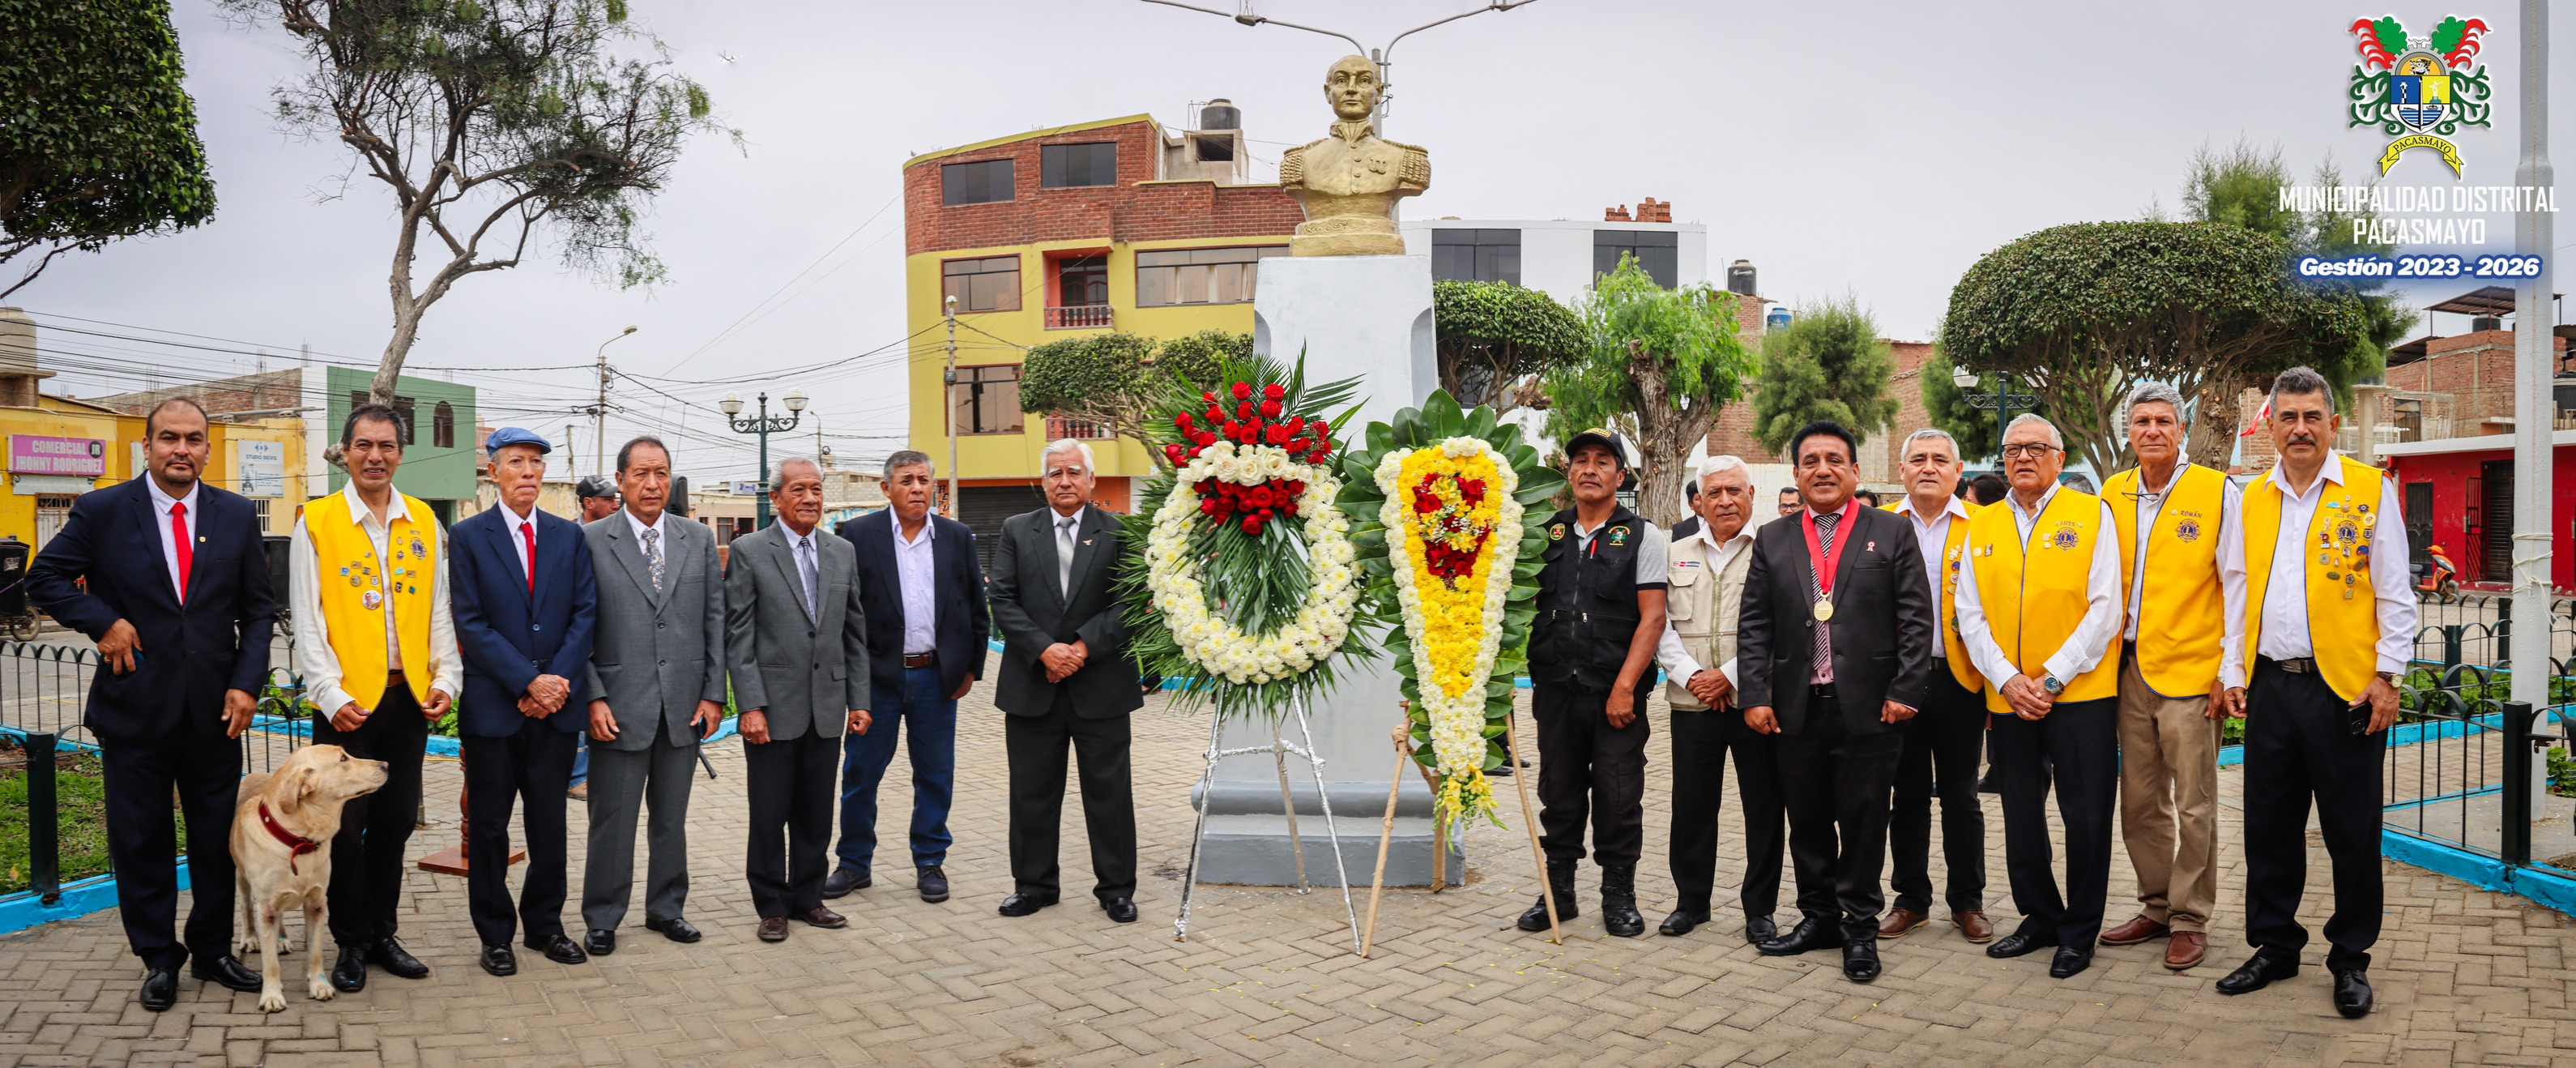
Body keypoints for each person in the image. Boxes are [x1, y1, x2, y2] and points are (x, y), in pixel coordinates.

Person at [25, 399, 271, 1009]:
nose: (180, 449)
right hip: (134, 711)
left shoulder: (237, 515)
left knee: (215, 840)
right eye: (168, 438)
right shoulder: (103, 510)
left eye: (193, 439)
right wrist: (102, 620)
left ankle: (212, 952)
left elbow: (259, 610)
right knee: (142, 841)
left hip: (217, 713)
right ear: (147, 446)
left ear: (208, 449)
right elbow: (44, 578)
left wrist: (246, 683)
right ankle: (159, 958)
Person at [2211, 366, 2414, 1019]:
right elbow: (2238, 589)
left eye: (2312, 417)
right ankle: (2274, 946)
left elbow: (2395, 592)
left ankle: (2350, 958)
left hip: (2345, 691)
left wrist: (2388, 677)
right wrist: (2233, 673)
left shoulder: (2368, 489)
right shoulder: (2251, 498)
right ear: (2269, 425)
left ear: (2332, 423)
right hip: (2272, 685)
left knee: (2352, 833)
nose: (2300, 428)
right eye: (2288, 417)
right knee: (2269, 828)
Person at [1736, 421, 1932, 984]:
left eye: (1834, 460)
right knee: (1809, 821)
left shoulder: (1889, 533)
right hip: (1797, 708)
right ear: (1797, 473)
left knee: (1866, 823)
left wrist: (1904, 691)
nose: (1822, 469)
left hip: (1870, 710)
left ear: (1853, 471)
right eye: (1811, 461)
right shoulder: (1774, 538)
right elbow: (1755, 625)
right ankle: (1818, 918)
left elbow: (1918, 621)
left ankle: (1859, 928)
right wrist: (1755, 694)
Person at [291, 402, 459, 993]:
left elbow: (439, 613)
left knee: (394, 824)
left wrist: (446, 681)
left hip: (407, 702)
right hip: (346, 708)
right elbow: (308, 623)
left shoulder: (425, 524)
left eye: (387, 446)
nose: (375, 457)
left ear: (400, 454)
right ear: (344, 451)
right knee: (345, 828)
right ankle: (351, 941)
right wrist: (329, 694)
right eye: (364, 445)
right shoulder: (317, 523)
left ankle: (384, 932)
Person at [1956, 413, 2123, 980]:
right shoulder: (1982, 525)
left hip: (2080, 697)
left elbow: (2105, 610)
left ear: (2059, 456)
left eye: (2035, 449)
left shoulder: (2091, 513)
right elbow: (1969, 613)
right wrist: (2007, 680)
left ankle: (2079, 931)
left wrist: (2051, 679)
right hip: (2009, 698)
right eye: (2011, 450)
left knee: (2086, 816)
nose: (2022, 458)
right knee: (2022, 813)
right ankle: (2040, 918)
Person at [2097, 383, 2243, 972]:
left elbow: (2236, 583)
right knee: (2139, 803)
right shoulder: (2113, 492)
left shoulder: (2215, 492)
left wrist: (2228, 670)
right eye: (2141, 422)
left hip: (2191, 674)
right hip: (2125, 670)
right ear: (2128, 433)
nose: (2152, 430)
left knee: (2195, 805)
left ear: (2181, 430)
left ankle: (2190, 917)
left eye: (2163, 421)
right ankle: (2156, 906)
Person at [448, 428, 598, 976]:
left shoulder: (568, 536)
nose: (529, 472)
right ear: (494, 472)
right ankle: (495, 935)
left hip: (555, 710)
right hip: (495, 710)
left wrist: (554, 682)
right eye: (517, 462)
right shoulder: (467, 537)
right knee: (489, 827)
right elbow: (471, 623)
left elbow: (585, 614)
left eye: (536, 463)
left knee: (549, 824)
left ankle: (545, 927)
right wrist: (526, 683)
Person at [578, 435, 727, 955]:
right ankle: (602, 916)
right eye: (640, 474)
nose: (652, 483)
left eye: (661, 473)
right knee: (612, 820)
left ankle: (667, 909)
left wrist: (714, 693)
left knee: (671, 818)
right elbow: (579, 629)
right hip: (618, 705)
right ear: (620, 482)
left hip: (684, 704)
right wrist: (592, 697)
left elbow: (714, 618)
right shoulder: (593, 540)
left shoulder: (697, 539)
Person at [988, 440, 1144, 923]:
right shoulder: (1017, 530)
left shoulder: (1120, 531)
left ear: (1091, 480)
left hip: (1101, 685)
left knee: (1110, 794)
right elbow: (1004, 600)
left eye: (1074, 472)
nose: (1064, 481)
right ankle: (1034, 886)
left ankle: (1116, 889)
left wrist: (1079, 648)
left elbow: (1130, 602)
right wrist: (1044, 650)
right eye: (1055, 473)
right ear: (1043, 482)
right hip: (1034, 686)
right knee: (1032, 793)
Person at [1521, 428, 1667, 938]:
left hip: (1615, 697)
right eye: (1580, 460)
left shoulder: (1643, 536)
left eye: (1603, 461)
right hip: (1557, 691)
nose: (1590, 469)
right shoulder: (1546, 533)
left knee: (1618, 795)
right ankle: (1558, 893)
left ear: (1620, 476)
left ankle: (1618, 896)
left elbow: (1651, 619)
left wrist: (1625, 687)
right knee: (1558, 795)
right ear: (1568, 472)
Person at [827, 451, 988, 904]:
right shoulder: (858, 534)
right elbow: (846, 614)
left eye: (924, 480)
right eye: (907, 480)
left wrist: (971, 668)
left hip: (937, 679)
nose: (917, 488)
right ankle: (854, 864)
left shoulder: (956, 537)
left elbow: (976, 608)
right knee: (861, 773)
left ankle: (930, 862)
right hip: (877, 680)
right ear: (886, 489)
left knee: (935, 774)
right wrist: (852, 682)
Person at [724, 457, 872, 942]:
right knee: (768, 814)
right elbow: (739, 634)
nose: (810, 498)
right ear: (777, 498)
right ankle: (771, 905)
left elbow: (854, 632)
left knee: (815, 812)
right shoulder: (750, 550)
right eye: (799, 490)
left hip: (826, 707)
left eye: (816, 489)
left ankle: (809, 898)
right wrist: (749, 705)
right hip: (772, 708)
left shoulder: (841, 552)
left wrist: (859, 700)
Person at [1652, 456, 1785, 943]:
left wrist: (1729, 678)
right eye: (1715, 493)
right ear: (1699, 502)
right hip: (1692, 703)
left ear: (1752, 496)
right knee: (1691, 805)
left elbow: (1781, 627)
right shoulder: (1675, 550)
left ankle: (1760, 910)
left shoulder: (1776, 548)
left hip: (1755, 702)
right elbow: (1658, 622)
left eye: (1735, 491)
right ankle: (1691, 903)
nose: (1726, 500)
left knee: (1764, 807)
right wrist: (1692, 677)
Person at [1878, 429, 1993, 946]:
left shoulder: (1986, 526)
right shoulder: (1879, 527)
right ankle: (1910, 900)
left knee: (1962, 796)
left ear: (1958, 469)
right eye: (1918, 459)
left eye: (1939, 460)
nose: (1928, 467)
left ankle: (1967, 902)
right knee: (1905, 796)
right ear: (1902, 471)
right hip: (1898, 683)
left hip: (1961, 681)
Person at [567, 476, 618, 800]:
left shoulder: (614, 534)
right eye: (609, 498)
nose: (616, 502)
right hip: (578, 636)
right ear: (589, 503)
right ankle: (576, 777)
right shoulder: (571, 537)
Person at [1669, 478, 1704, 542]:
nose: (1703, 501)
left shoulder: (1723, 523)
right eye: (1698, 499)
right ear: (1691, 505)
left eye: (1705, 497)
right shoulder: (1680, 529)